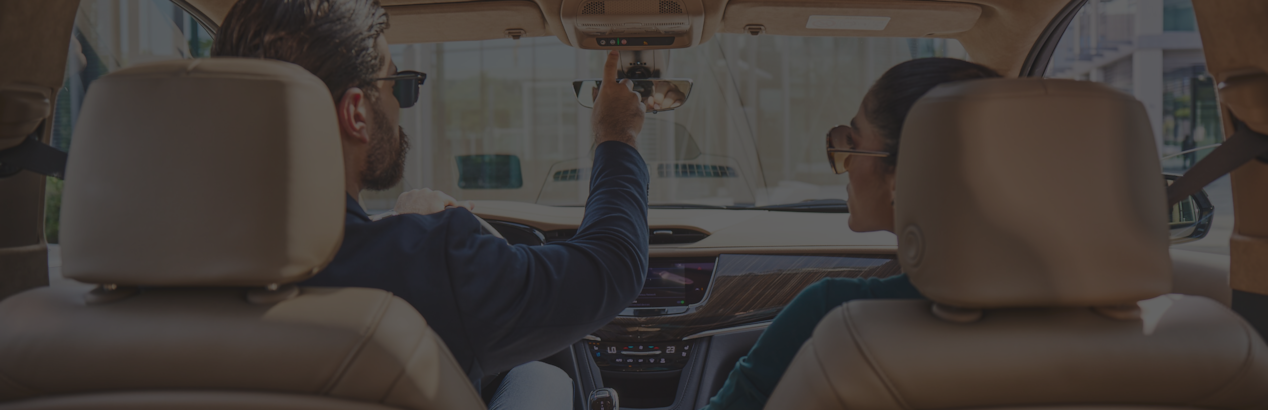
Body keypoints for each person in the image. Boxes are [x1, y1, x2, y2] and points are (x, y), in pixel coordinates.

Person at [211, 1, 653, 409]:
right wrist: (617, 135)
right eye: (396, 84)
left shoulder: (152, 270)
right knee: (545, 377)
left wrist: (404, 236)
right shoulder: (434, 262)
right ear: (356, 114)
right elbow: (612, 266)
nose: (401, 106)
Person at [700, 58, 1001, 410]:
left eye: (851, 144)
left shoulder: (833, 314)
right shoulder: (1077, 318)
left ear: (899, 175)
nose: (844, 163)